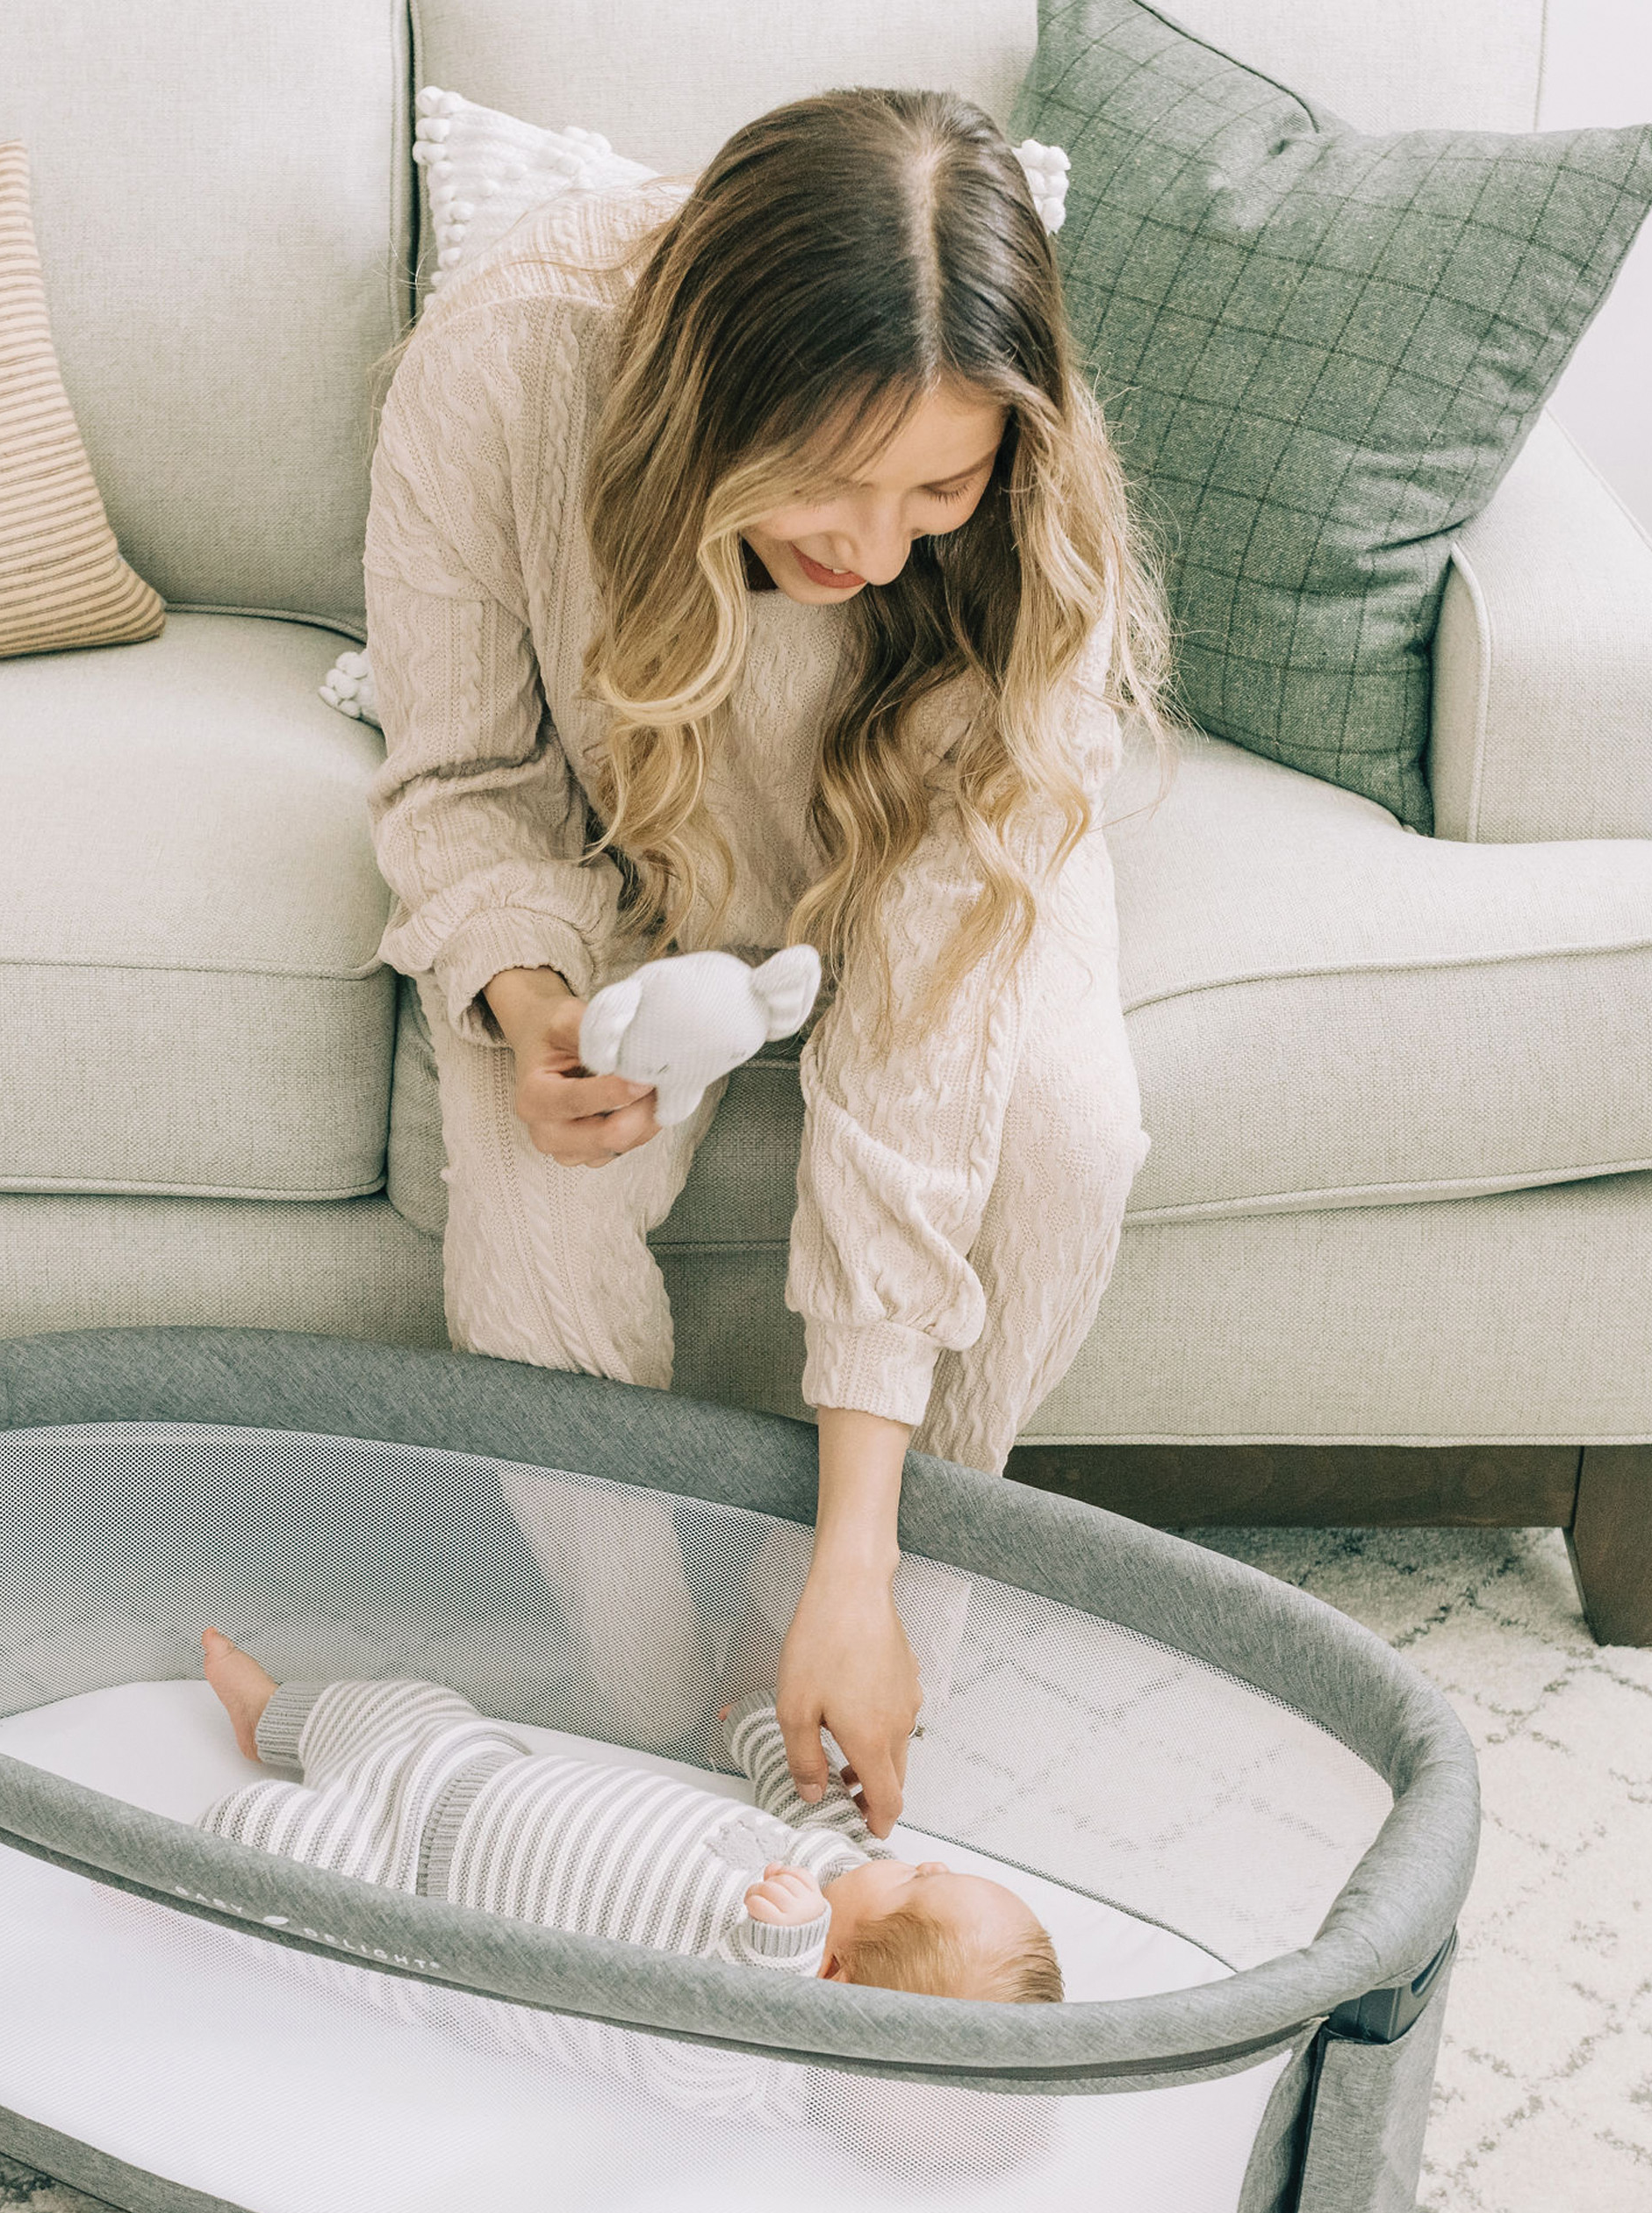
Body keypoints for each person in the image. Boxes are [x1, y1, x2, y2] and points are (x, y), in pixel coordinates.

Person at [365, 88, 1170, 1841]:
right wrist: (524, 998)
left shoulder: (1024, 529)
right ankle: (653, 1692)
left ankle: (869, 1630)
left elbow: (918, 1035)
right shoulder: (502, 364)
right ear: (708, 394)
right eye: (821, 480)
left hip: (940, 864)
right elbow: (460, 782)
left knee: (1061, 1133)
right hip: (625, 855)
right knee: (533, 1188)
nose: (876, 551)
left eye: (936, 487)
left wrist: (855, 1551)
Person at [196, 1627, 1062, 2004]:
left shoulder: (763, 2034)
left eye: (917, 1883)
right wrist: (766, 1725)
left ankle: (174, 1886)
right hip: (468, 1767)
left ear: (837, 1978)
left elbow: (711, 2048)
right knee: (404, 1704)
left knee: (264, 1841)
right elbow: (812, 1797)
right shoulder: (840, 1864)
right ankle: (271, 1717)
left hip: (402, 1887)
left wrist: (787, 1965)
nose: (928, 1861)